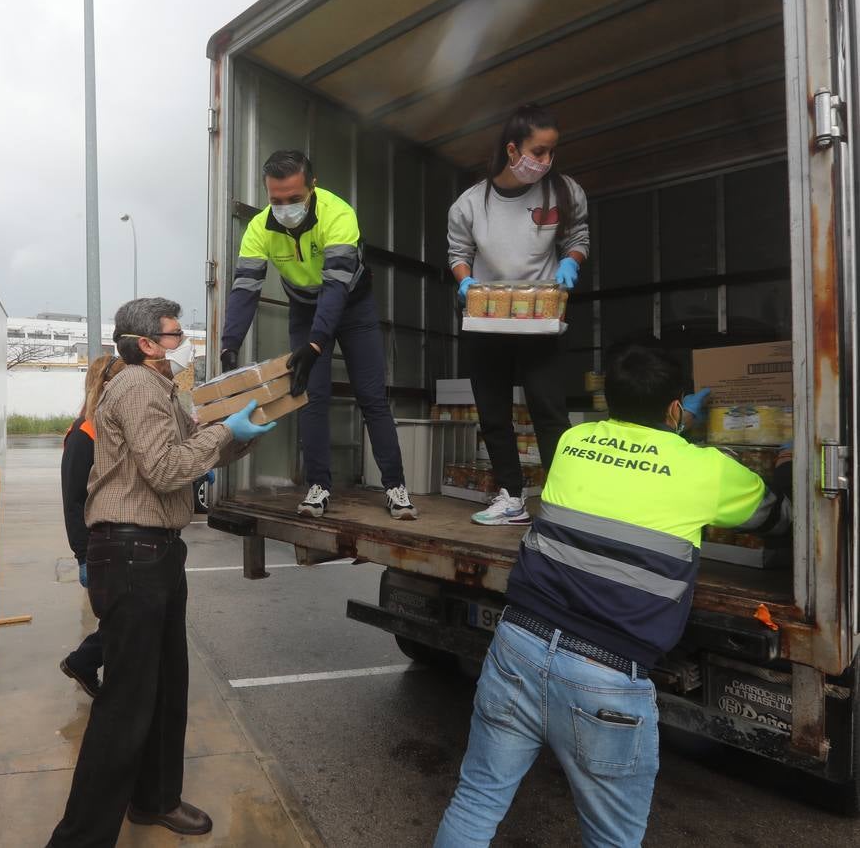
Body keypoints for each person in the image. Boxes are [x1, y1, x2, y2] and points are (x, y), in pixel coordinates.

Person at [434, 340, 792, 847]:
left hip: (516, 644)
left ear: (607, 402)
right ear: (676, 408)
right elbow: (776, 518)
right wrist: (783, 466)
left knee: (475, 801)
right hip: (605, 677)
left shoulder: (574, 444)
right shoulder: (707, 469)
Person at [48, 298, 275, 846]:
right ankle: (78, 839)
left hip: (157, 551)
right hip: (132, 553)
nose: (182, 342)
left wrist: (235, 435)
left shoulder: (162, 390)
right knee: (126, 703)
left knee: (168, 688)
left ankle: (153, 799)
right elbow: (168, 468)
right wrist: (223, 433)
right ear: (147, 344)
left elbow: (189, 456)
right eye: (175, 334)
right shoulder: (137, 387)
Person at [219, 149, 416, 522]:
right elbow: (245, 288)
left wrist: (315, 343)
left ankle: (395, 487)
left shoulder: (338, 214)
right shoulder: (260, 228)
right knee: (309, 396)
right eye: (276, 200)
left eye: (294, 198)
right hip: (304, 309)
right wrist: (230, 344)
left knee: (372, 396)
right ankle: (318, 486)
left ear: (313, 186)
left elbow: (336, 287)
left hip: (352, 306)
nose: (285, 207)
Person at [447, 104, 590, 525]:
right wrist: (465, 281)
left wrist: (571, 263)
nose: (546, 161)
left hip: (538, 318)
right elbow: (459, 253)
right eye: (539, 152)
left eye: (551, 153)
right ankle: (511, 497)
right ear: (513, 151)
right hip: (487, 319)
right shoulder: (471, 204)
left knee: (549, 412)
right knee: (493, 415)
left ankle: (565, 502)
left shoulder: (564, 191)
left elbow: (577, 237)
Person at [59, 353, 122, 698]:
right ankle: (83, 661)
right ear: (105, 385)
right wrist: (82, 554)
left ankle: (87, 664)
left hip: (118, 540)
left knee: (121, 617)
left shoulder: (111, 426)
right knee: (122, 619)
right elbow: (72, 501)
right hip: (98, 544)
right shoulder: (84, 433)